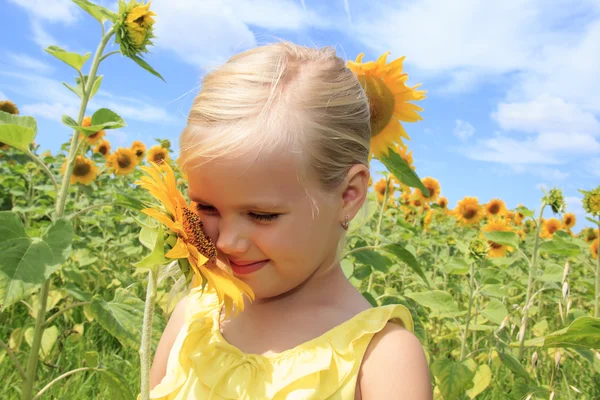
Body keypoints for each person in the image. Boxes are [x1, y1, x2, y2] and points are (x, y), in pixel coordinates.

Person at [149, 41, 432, 399]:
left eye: (261, 215)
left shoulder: (380, 360)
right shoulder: (194, 316)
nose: (226, 242)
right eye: (207, 208)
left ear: (348, 196)